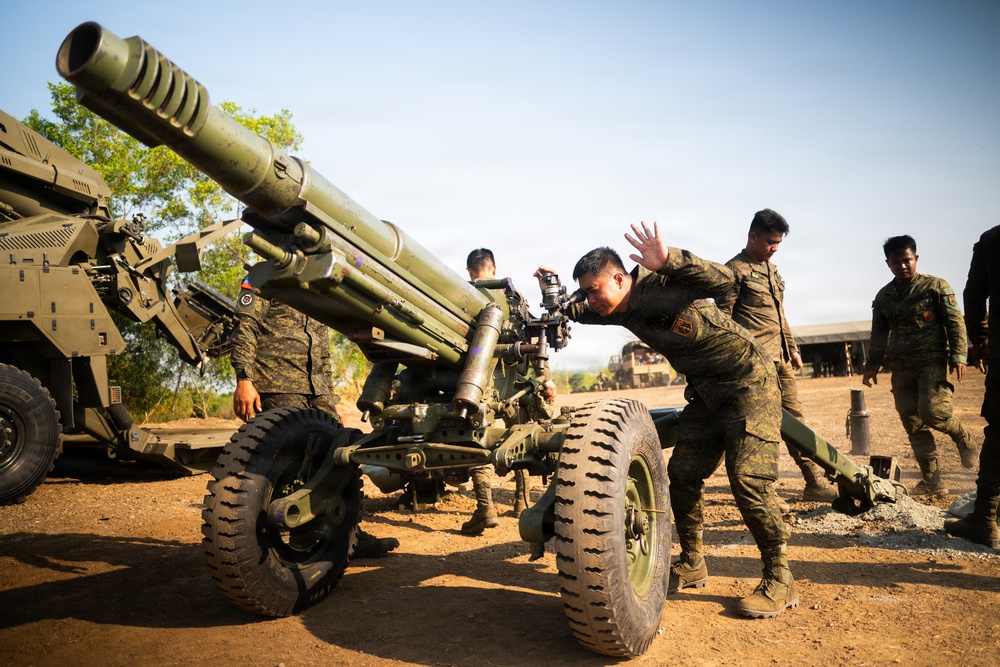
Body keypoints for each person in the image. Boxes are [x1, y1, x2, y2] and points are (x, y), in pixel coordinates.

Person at [538, 221, 796, 619]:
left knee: (748, 479)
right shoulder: (615, 308)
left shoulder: (662, 285)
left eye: (594, 289)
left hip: (749, 381)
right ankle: (693, 563)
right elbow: (571, 311)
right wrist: (550, 295)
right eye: (586, 291)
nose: (589, 299)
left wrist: (671, 260)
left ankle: (780, 578)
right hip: (708, 391)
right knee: (684, 475)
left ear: (621, 278)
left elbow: (726, 280)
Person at [231, 276, 399, 558]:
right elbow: (245, 328)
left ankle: (349, 535)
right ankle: (289, 538)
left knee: (340, 457)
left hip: (316, 389)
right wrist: (244, 379)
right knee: (290, 467)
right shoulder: (264, 276)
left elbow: (323, 353)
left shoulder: (316, 286)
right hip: (277, 382)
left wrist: (329, 400)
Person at [726, 209, 837, 503]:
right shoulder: (733, 271)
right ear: (752, 236)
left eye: (778, 243)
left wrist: (794, 348)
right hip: (752, 364)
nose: (774, 248)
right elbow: (722, 321)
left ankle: (813, 482)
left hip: (780, 360)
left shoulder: (772, 271)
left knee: (796, 422)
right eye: (770, 242)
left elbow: (779, 315)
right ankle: (765, 492)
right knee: (761, 428)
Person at [862, 235, 978, 496]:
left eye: (907, 260)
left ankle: (963, 437)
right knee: (913, 423)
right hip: (900, 368)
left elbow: (955, 323)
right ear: (888, 263)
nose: (902, 266)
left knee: (933, 412)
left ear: (916, 258)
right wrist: (872, 366)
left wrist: (959, 356)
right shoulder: (884, 296)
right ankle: (933, 480)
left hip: (931, 362)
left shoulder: (935, 286)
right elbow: (878, 333)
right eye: (896, 262)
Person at [460, 248, 554, 534]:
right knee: (520, 437)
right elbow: (537, 339)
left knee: (474, 441)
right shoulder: (512, 298)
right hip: (511, 385)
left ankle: (485, 507)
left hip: (473, 383)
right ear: (493, 268)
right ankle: (522, 502)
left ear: (469, 271)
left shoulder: (459, 297)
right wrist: (544, 378)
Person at [946, 225, 1000, 547]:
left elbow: (974, 295)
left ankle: (985, 519)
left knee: (999, 433)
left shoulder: (992, 240)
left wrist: (979, 342)